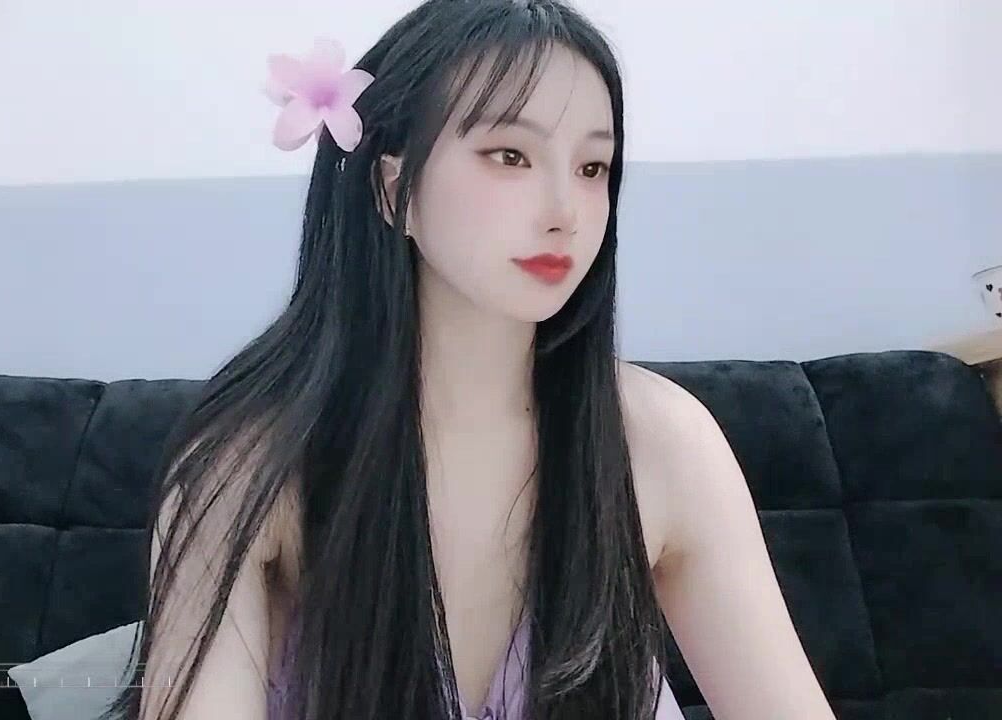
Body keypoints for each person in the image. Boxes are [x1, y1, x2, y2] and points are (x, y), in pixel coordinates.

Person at [103, 1, 837, 718]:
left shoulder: (664, 443)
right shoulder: (248, 464)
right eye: (510, 156)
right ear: (393, 188)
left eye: (592, 167)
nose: (565, 210)